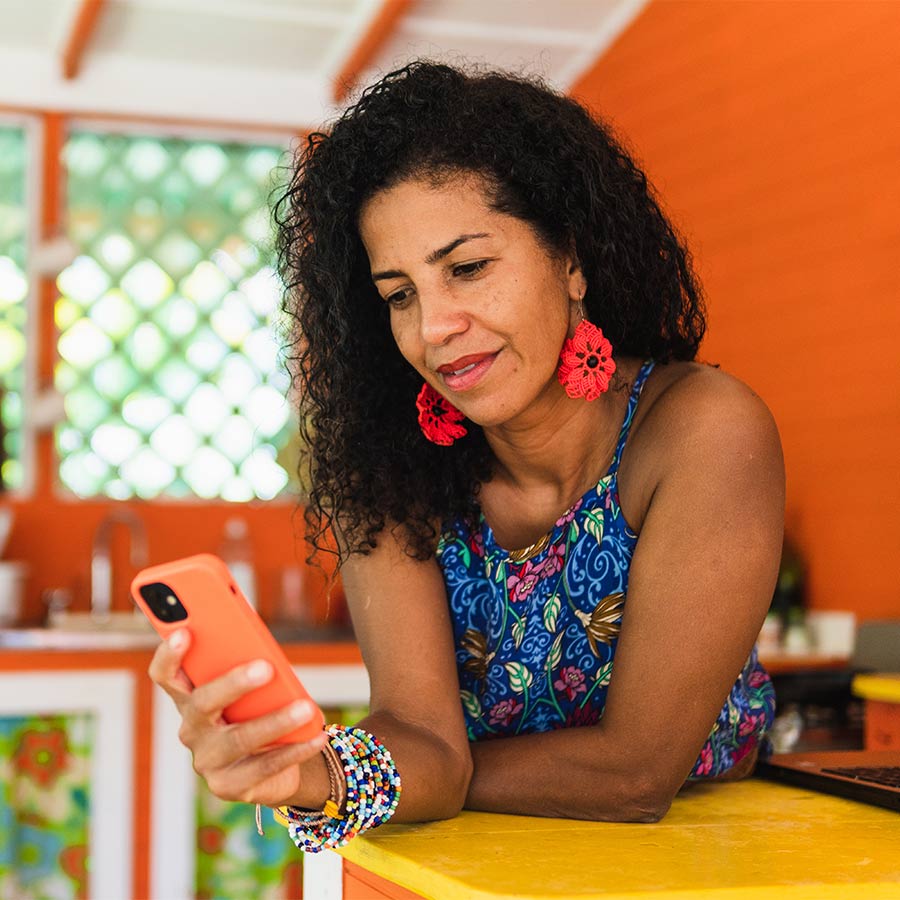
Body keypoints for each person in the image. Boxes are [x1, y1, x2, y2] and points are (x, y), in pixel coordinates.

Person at [150, 61, 783, 850]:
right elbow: (417, 733)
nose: (433, 328)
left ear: (571, 259)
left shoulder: (702, 431)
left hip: (702, 860)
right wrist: (312, 775)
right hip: (468, 866)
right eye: (399, 294)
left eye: (468, 268)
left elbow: (636, 775)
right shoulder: (386, 475)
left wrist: (413, 776)